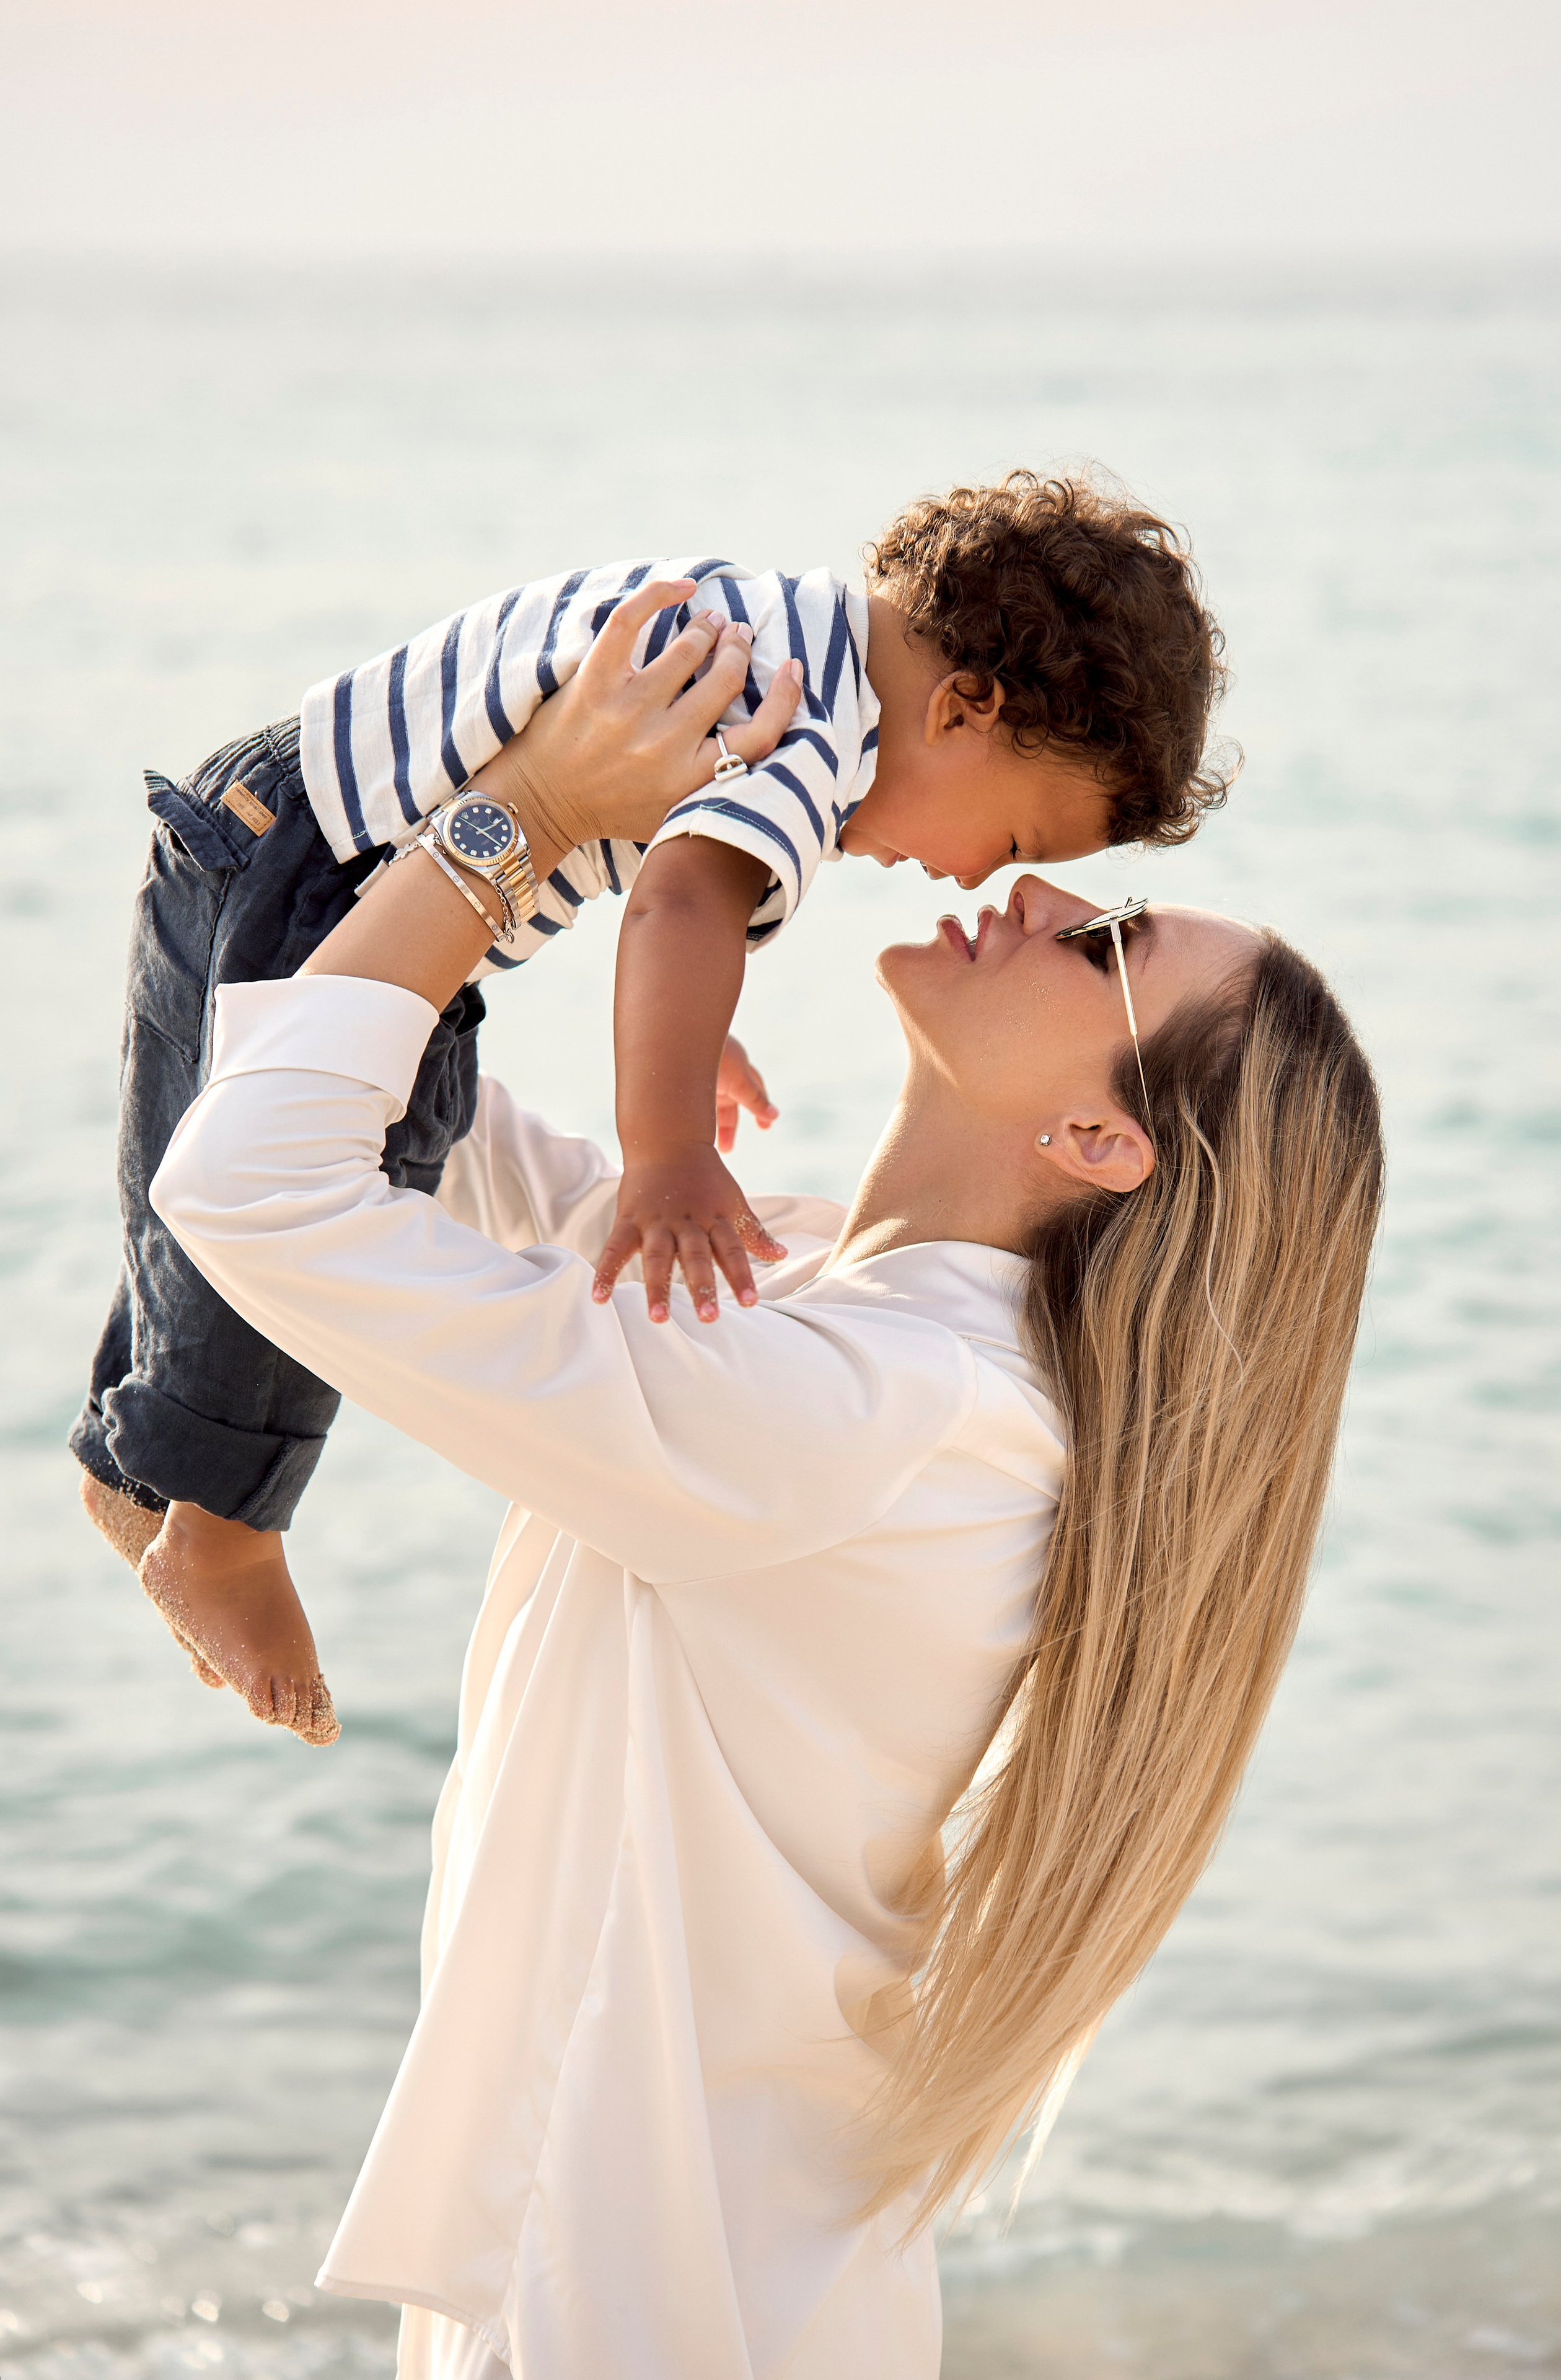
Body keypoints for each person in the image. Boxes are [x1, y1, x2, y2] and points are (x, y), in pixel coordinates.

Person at [147, 612, 1383, 2379]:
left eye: (1100, 938)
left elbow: (259, 1181)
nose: (1039, 897)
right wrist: (438, 816)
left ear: (1102, 1144)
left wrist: (516, 809)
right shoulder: (840, 1316)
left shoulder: (870, 1416)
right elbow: (395, 1115)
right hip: (705, 2258)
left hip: (646, 2288)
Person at [73, 472, 1234, 1747]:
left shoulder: (778, 635)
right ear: (963, 709)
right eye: (1009, 839)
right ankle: (224, 1536)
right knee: (360, 1142)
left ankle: (135, 1461)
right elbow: (678, 909)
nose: (967, 878)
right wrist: (668, 1148)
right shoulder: (804, 732)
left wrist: (698, 1034)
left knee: (214, 1128)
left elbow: (681, 908)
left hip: (266, 818)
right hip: (326, 865)